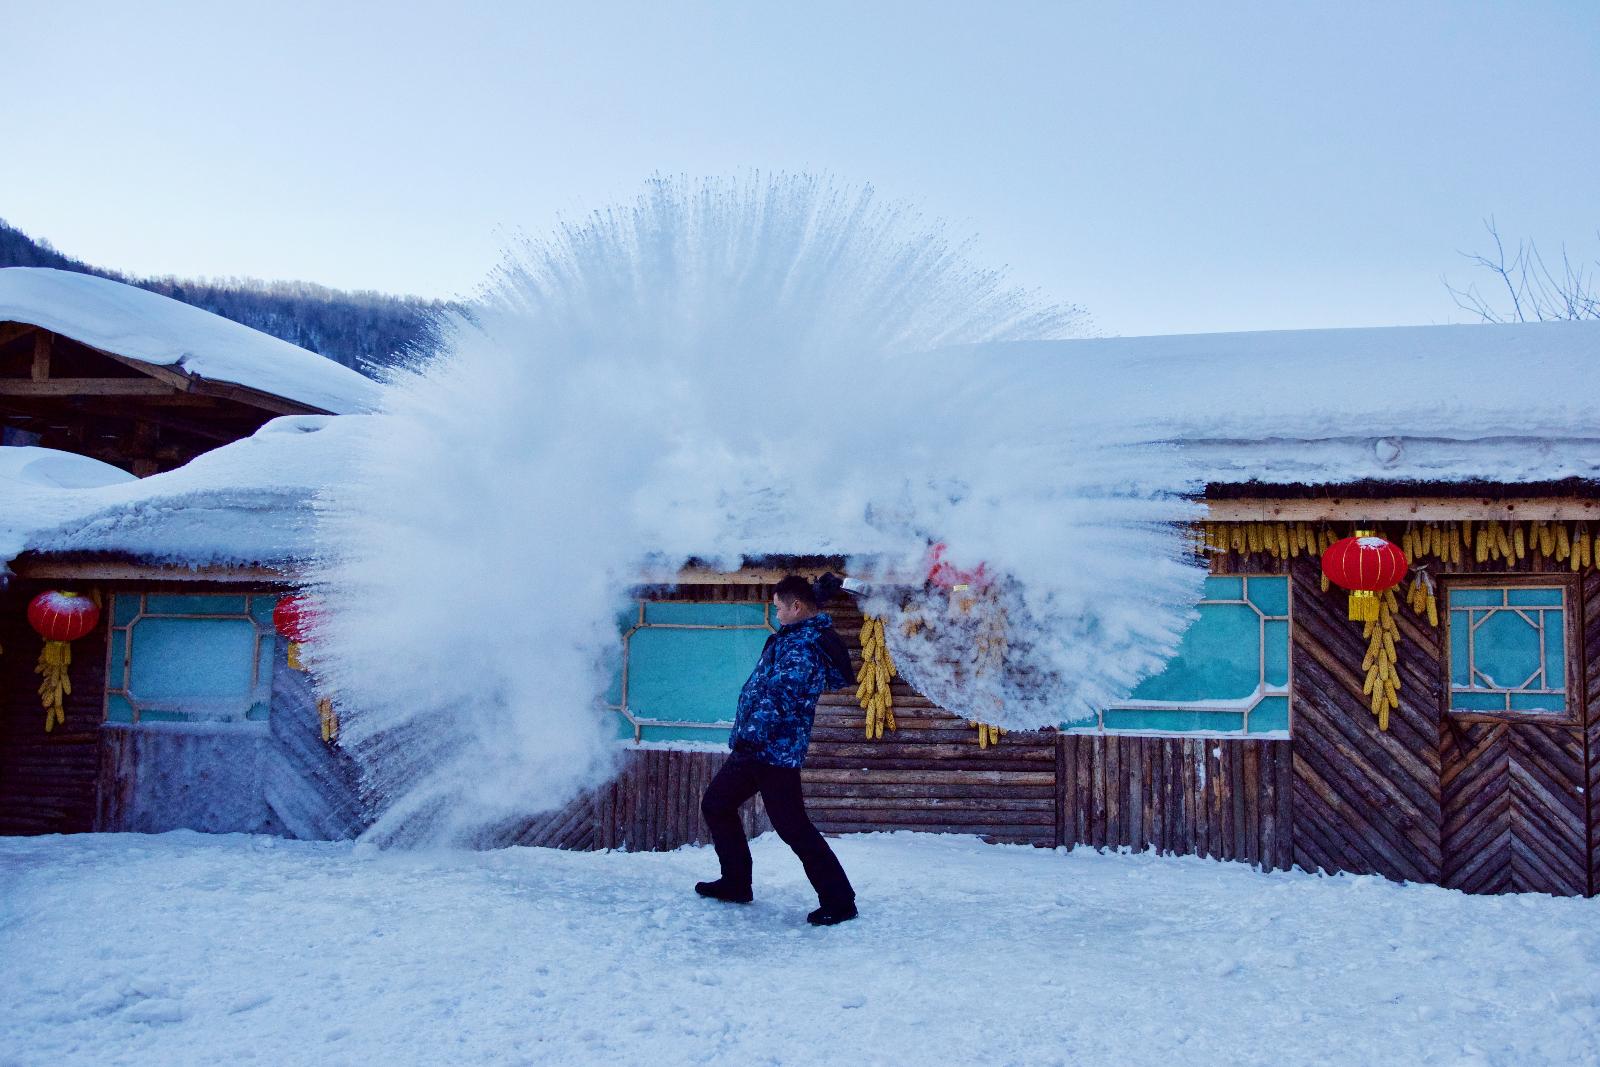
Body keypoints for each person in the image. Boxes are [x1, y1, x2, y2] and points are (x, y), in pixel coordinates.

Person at [696, 573, 858, 925]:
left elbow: (781, 696)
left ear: (796, 607)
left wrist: (751, 734)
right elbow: (807, 612)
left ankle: (840, 901)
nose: (776, 612)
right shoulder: (800, 633)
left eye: (780, 607)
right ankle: (736, 882)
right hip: (757, 749)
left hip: (773, 752)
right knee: (717, 804)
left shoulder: (803, 646)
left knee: (793, 827)